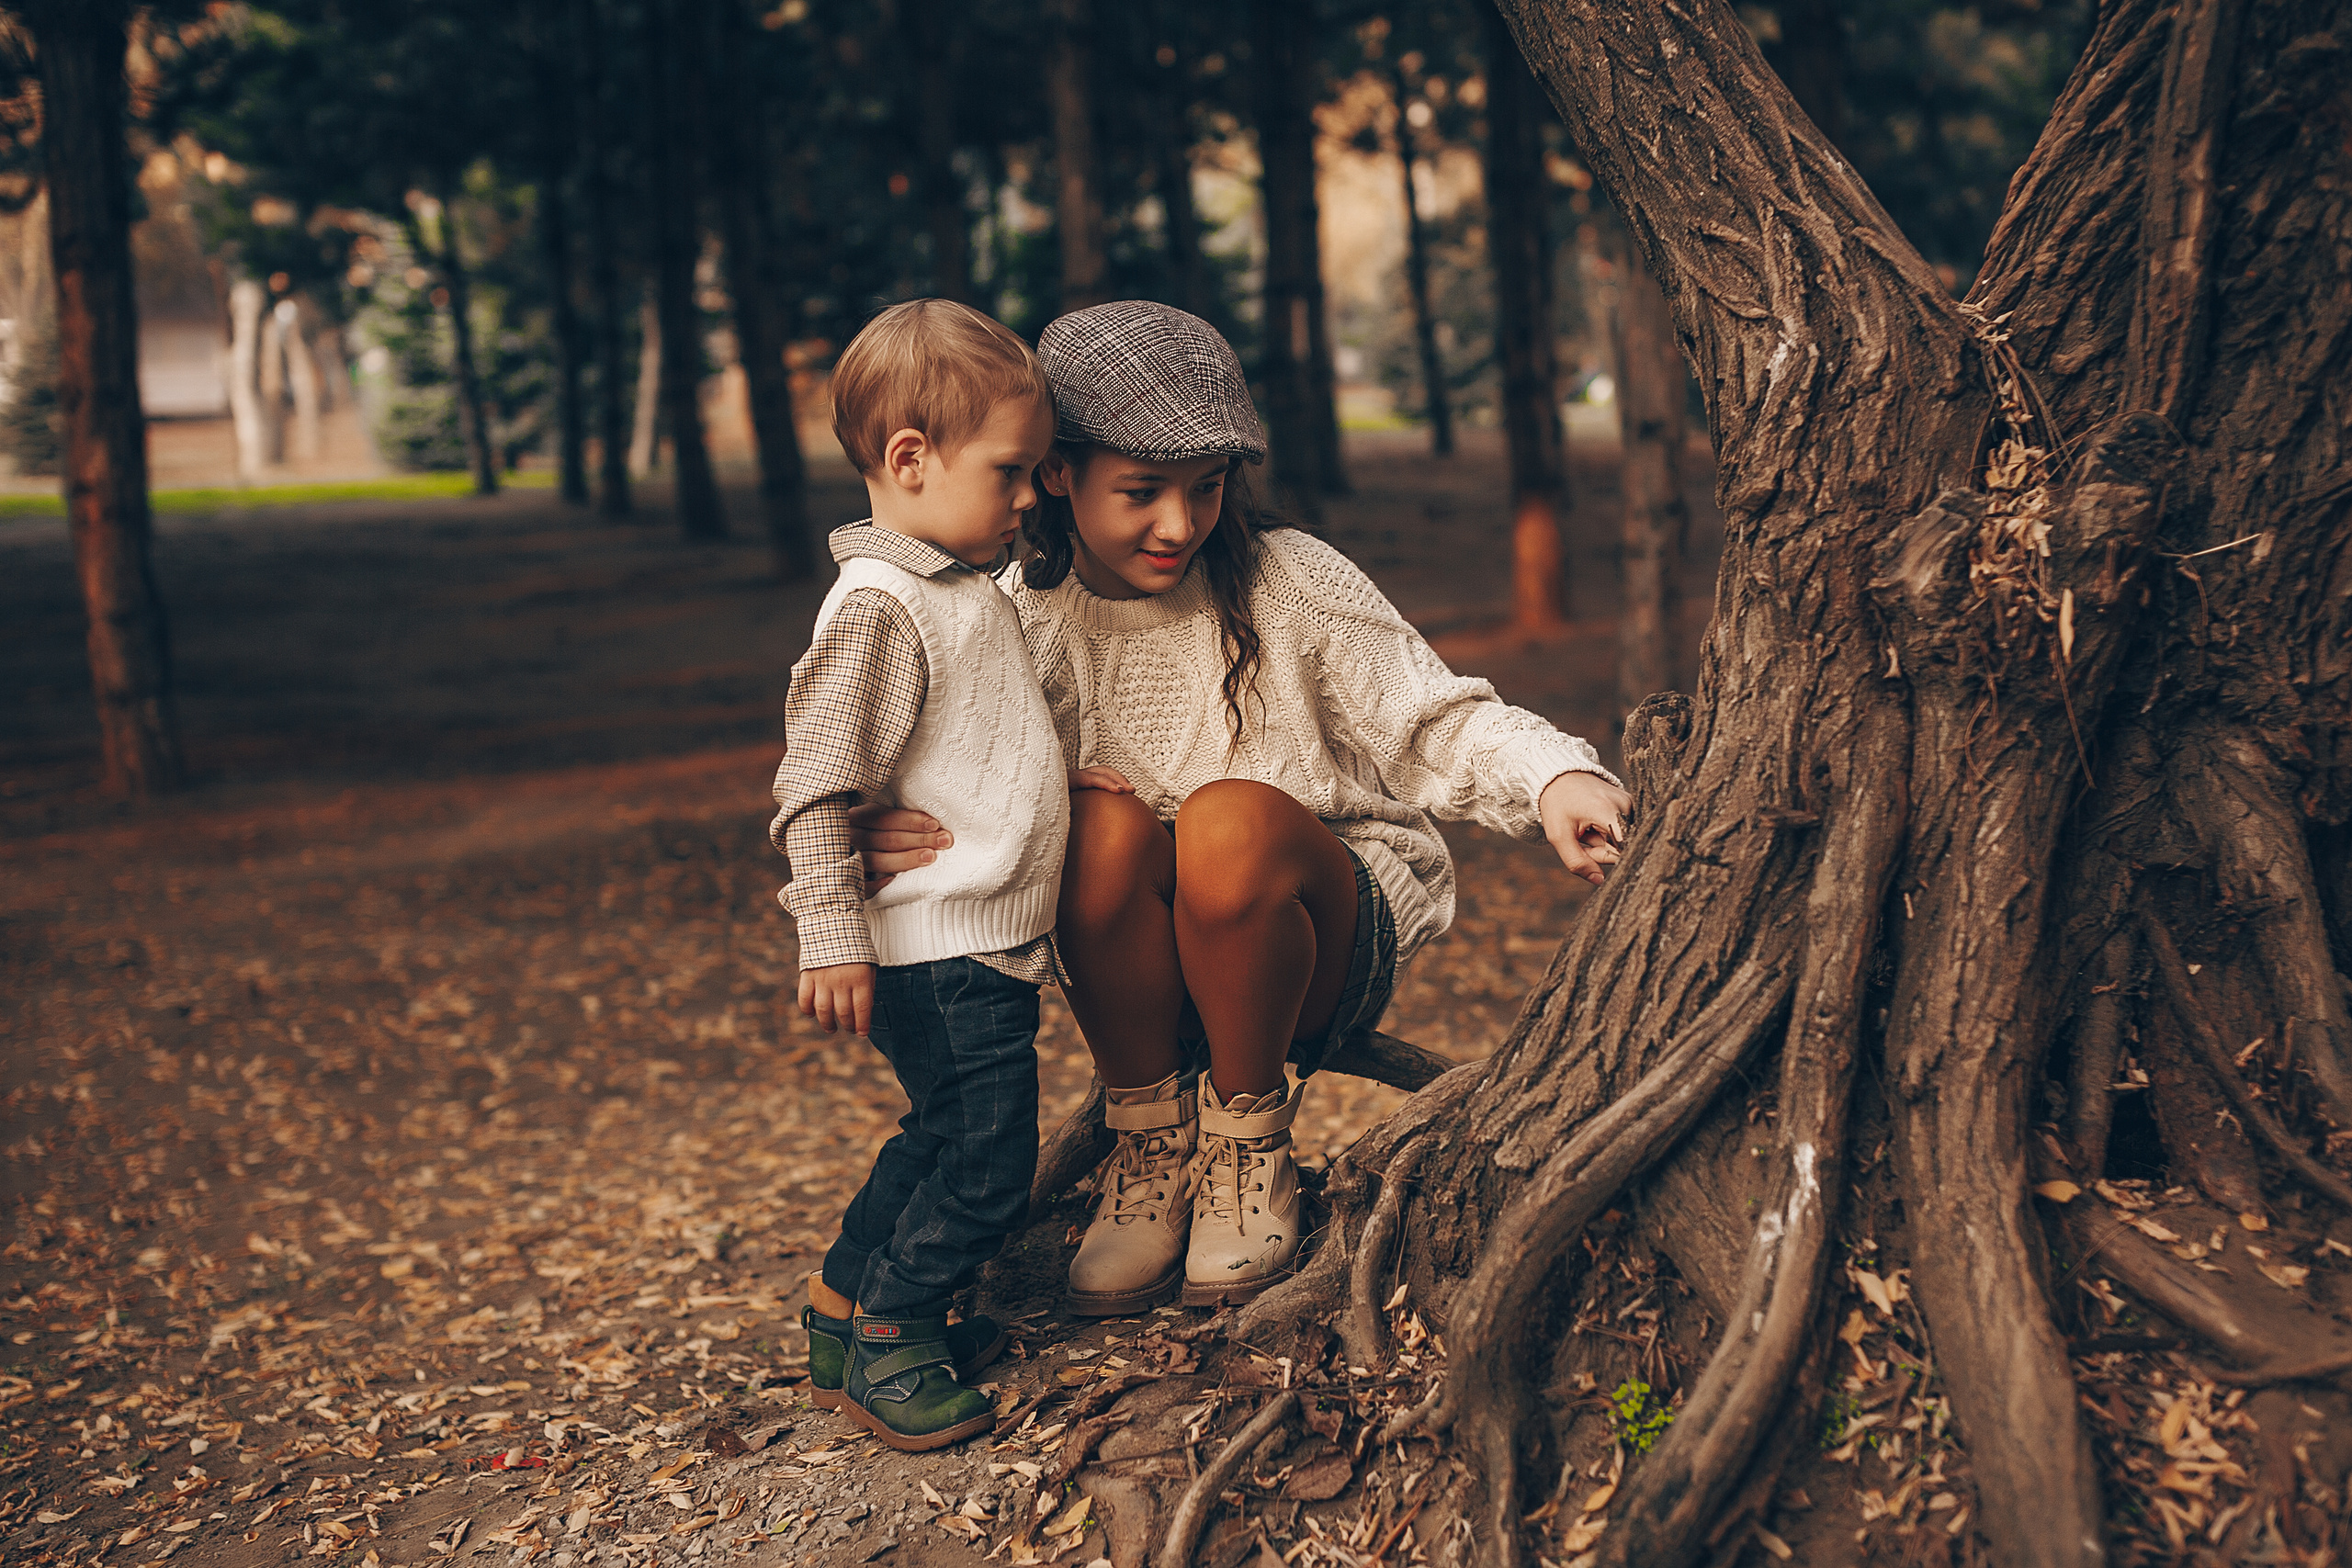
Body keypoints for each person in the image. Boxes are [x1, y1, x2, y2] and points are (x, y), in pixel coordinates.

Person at [850, 300, 1634, 1317]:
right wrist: (872, 828)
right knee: (1093, 821)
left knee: (1224, 818)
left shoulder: (1288, 581)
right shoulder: (1011, 619)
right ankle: (1151, 1148)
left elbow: (1434, 718)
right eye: (1140, 492)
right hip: (1145, 979)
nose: (1179, 524)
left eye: (1206, 489)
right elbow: (934, 767)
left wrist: (1551, 777)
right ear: (1055, 473)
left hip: (1312, 935)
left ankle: (1247, 1144)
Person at [770, 299, 1126, 1449]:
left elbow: (972, 747)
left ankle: (841, 1308)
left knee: (937, 1135)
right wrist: (828, 931)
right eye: (1011, 470)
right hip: (941, 948)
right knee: (984, 1164)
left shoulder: (956, 585)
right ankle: (896, 1334)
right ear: (911, 461)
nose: (1030, 496)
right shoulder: (882, 605)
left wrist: (1062, 788)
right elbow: (819, 782)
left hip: (970, 938)